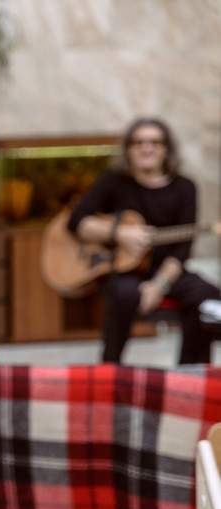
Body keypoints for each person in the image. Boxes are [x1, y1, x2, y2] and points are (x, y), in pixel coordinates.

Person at [67, 117, 219, 364]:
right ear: (128, 149)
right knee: (124, 293)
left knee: (207, 294)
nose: (146, 148)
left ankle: (191, 373)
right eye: (138, 143)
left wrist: (158, 286)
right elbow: (76, 221)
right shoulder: (113, 181)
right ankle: (111, 368)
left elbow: (182, 250)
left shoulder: (185, 187)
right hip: (123, 271)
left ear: (167, 149)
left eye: (155, 143)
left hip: (167, 271)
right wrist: (119, 233)